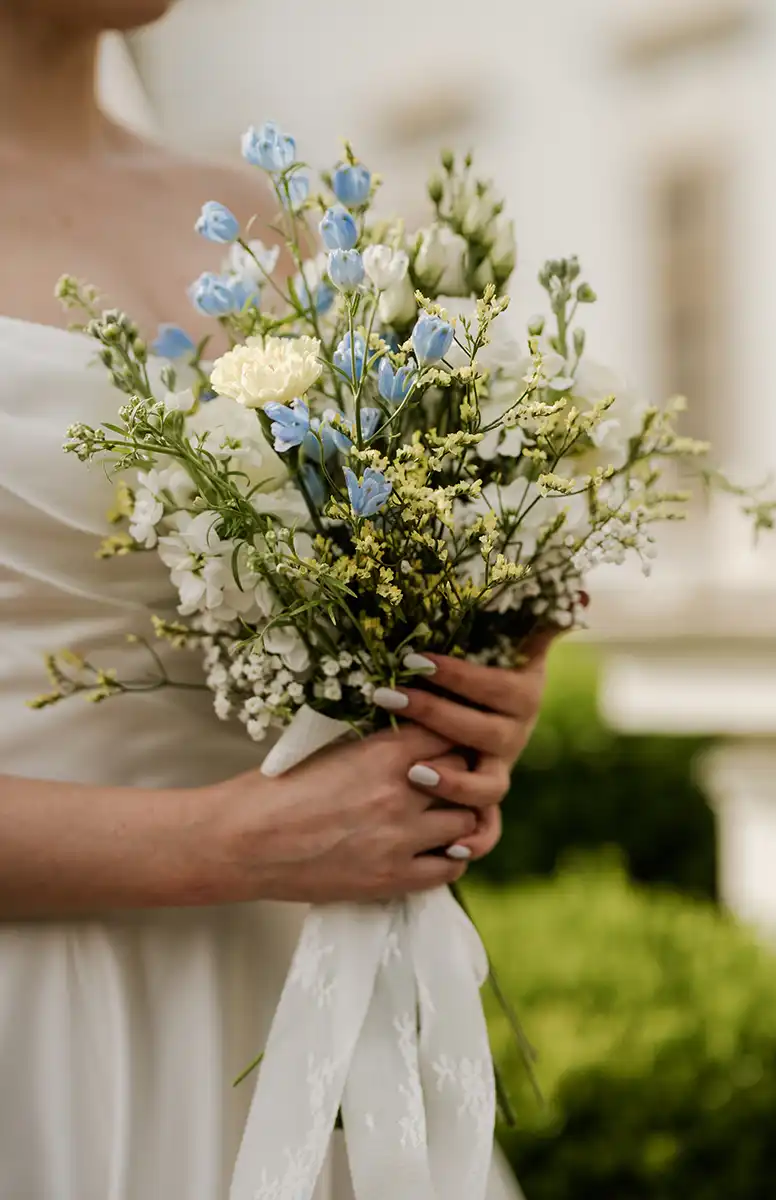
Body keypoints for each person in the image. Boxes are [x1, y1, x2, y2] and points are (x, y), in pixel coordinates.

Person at [0, 2, 553, 1197]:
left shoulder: (283, 227)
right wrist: (230, 843)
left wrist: (458, 712)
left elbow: (370, 609)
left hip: (293, 1002)